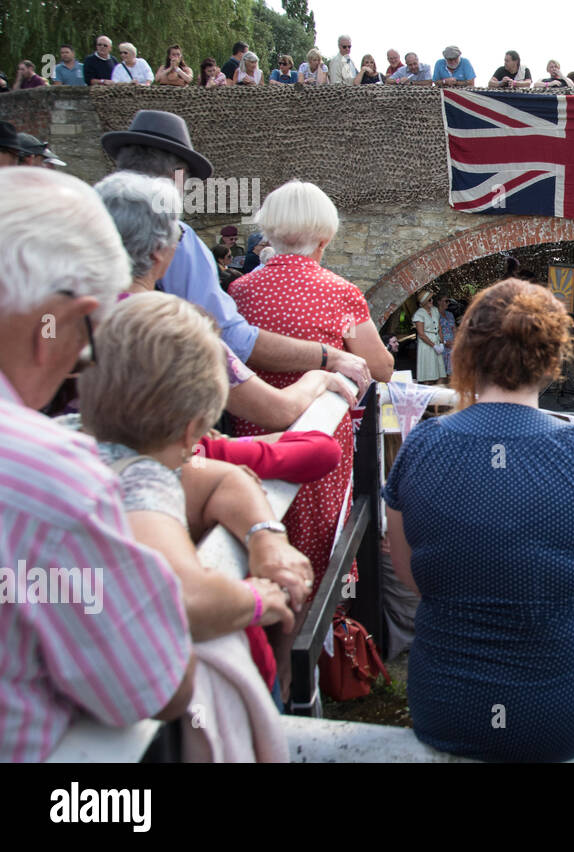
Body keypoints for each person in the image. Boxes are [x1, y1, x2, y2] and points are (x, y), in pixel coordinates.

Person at [384, 278, 574, 760]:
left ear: (468, 352)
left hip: (447, 705)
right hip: (562, 709)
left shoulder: (420, 446)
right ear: (550, 358)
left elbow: (409, 572)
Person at [0, 167, 195, 761]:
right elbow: (154, 684)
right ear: (52, 323)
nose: (82, 361)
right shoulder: (51, 476)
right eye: (90, 336)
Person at [71, 292, 304, 644]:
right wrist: (257, 599)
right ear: (191, 430)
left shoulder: (69, 433)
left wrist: (265, 534)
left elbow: (221, 479)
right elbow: (185, 599)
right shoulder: (140, 481)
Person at [101, 110, 372, 387]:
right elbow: (228, 336)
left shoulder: (242, 288)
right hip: (162, 394)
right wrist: (328, 357)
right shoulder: (179, 238)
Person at [96, 169, 357, 433]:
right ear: (159, 252)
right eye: (177, 237)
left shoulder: (67, 314)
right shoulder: (180, 331)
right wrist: (320, 375)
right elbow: (278, 410)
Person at [229, 181, 394, 597]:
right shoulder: (340, 293)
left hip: (254, 440)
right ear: (325, 238)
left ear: (269, 233)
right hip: (317, 445)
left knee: (260, 546)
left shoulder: (240, 291)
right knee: (321, 550)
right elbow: (381, 366)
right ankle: (320, 645)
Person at [412, 290, 447, 384]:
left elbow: (439, 327)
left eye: (432, 299)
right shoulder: (419, 314)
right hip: (426, 345)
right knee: (429, 373)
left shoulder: (435, 310)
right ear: (423, 303)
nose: (432, 301)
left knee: (440, 372)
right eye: (429, 300)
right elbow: (421, 334)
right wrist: (434, 346)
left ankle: (440, 393)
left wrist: (441, 343)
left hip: (436, 340)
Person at [438, 294, 457, 377]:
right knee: (442, 373)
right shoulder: (435, 314)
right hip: (442, 344)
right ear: (439, 302)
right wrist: (444, 342)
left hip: (452, 344)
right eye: (446, 301)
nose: (448, 303)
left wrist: (456, 341)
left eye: (448, 301)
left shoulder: (450, 314)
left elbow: (454, 329)